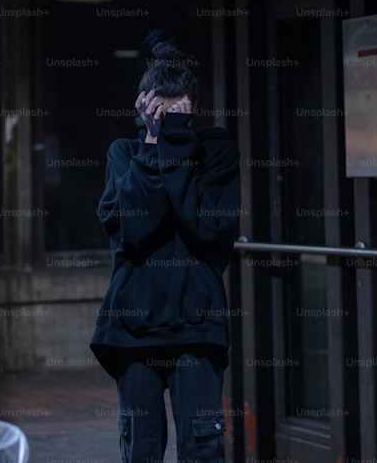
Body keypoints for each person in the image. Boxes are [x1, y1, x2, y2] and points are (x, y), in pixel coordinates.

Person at [90, 40, 241, 463]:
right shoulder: (125, 154)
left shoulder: (218, 152)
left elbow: (207, 226)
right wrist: (154, 145)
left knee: (203, 448)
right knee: (141, 448)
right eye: (161, 114)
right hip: (133, 326)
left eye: (178, 115)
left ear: (194, 109)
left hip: (197, 322)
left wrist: (173, 144)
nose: (169, 121)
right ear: (144, 110)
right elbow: (136, 228)